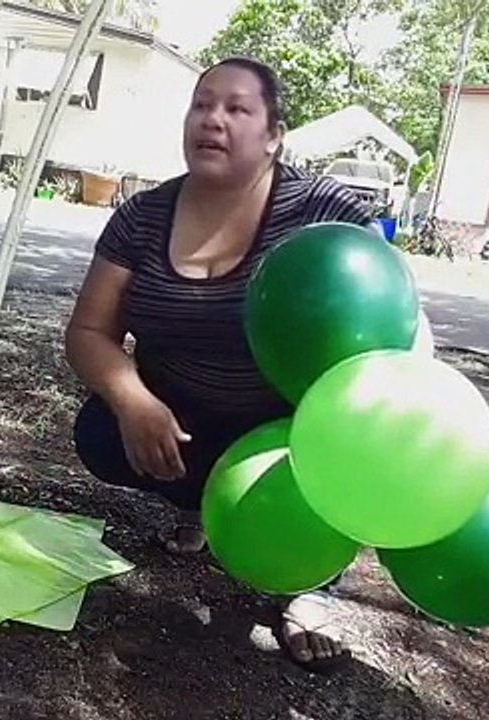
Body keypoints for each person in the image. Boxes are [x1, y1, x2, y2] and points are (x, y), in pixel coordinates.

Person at [65, 57, 376, 672]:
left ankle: (309, 582)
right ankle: (201, 507)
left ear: (274, 135)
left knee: (346, 443)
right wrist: (133, 399)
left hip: (295, 434)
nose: (213, 119)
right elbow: (88, 331)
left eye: (237, 109)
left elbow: (388, 323)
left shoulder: (323, 213)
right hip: (184, 415)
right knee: (100, 432)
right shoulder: (142, 216)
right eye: (202, 104)